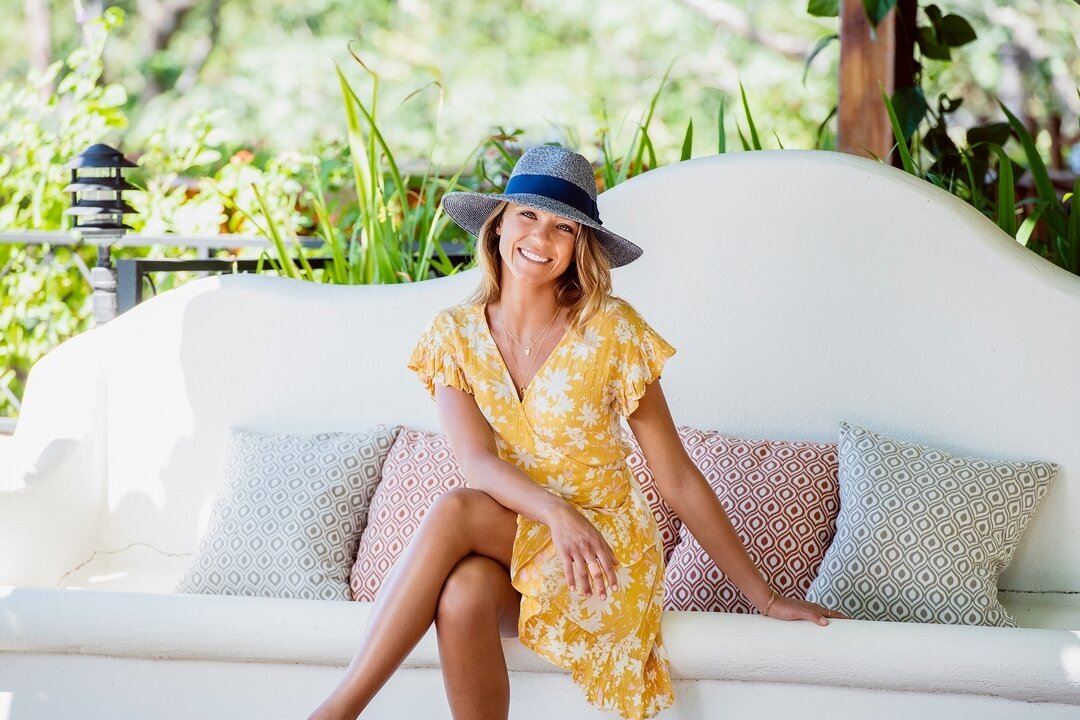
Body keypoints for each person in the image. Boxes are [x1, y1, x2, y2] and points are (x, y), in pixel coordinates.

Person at [308, 145, 844, 720]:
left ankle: (334, 714)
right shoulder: (453, 337)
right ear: (498, 225)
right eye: (527, 216)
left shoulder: (612, 331)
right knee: (462, 594)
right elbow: (476, 462)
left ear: (580, 246)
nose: (540, 239)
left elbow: (677, 476)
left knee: (457, 510)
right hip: (527, 534)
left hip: (602, 550)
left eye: (563, 227)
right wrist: (555, 514)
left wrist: (762, 597)